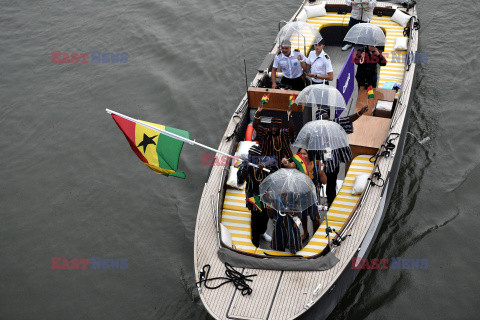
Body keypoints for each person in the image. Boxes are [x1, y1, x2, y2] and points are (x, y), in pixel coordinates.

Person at [316, 105, 369, 207]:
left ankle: (331, 203)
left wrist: (360, 113)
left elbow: (348, 119)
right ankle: (324, 201)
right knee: (322, 184)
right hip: (323, 165)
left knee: (332, 183)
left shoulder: (334, 124)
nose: (327, 121)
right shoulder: (315, 132)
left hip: (334, 162)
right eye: (324, 119)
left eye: (328, 118)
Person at [281, 148, 327, 242]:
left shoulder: (316, 163)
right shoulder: (298, 163)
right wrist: (285, 163)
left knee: (315, 217)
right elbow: (290, 165)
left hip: (313, 195)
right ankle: (305, 233)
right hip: (301, 194)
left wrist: (321, 171)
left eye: (304, 154)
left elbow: (324, 181)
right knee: (303, 215)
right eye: (300, 154)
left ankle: (315, 235)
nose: (302, 156)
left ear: (309, 154)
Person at [237, 145, 273, 247]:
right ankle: (255, 240)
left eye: (254, 156)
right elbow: (239, 183)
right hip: (253, 196)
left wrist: (265, 166)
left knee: (265, 216)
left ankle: (263, 232)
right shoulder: (245, 165)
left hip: (265, 195)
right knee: (256, 218)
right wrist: (244, 174)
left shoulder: (266, 162)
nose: (251, 157)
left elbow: (275, 172)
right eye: (250, 155)